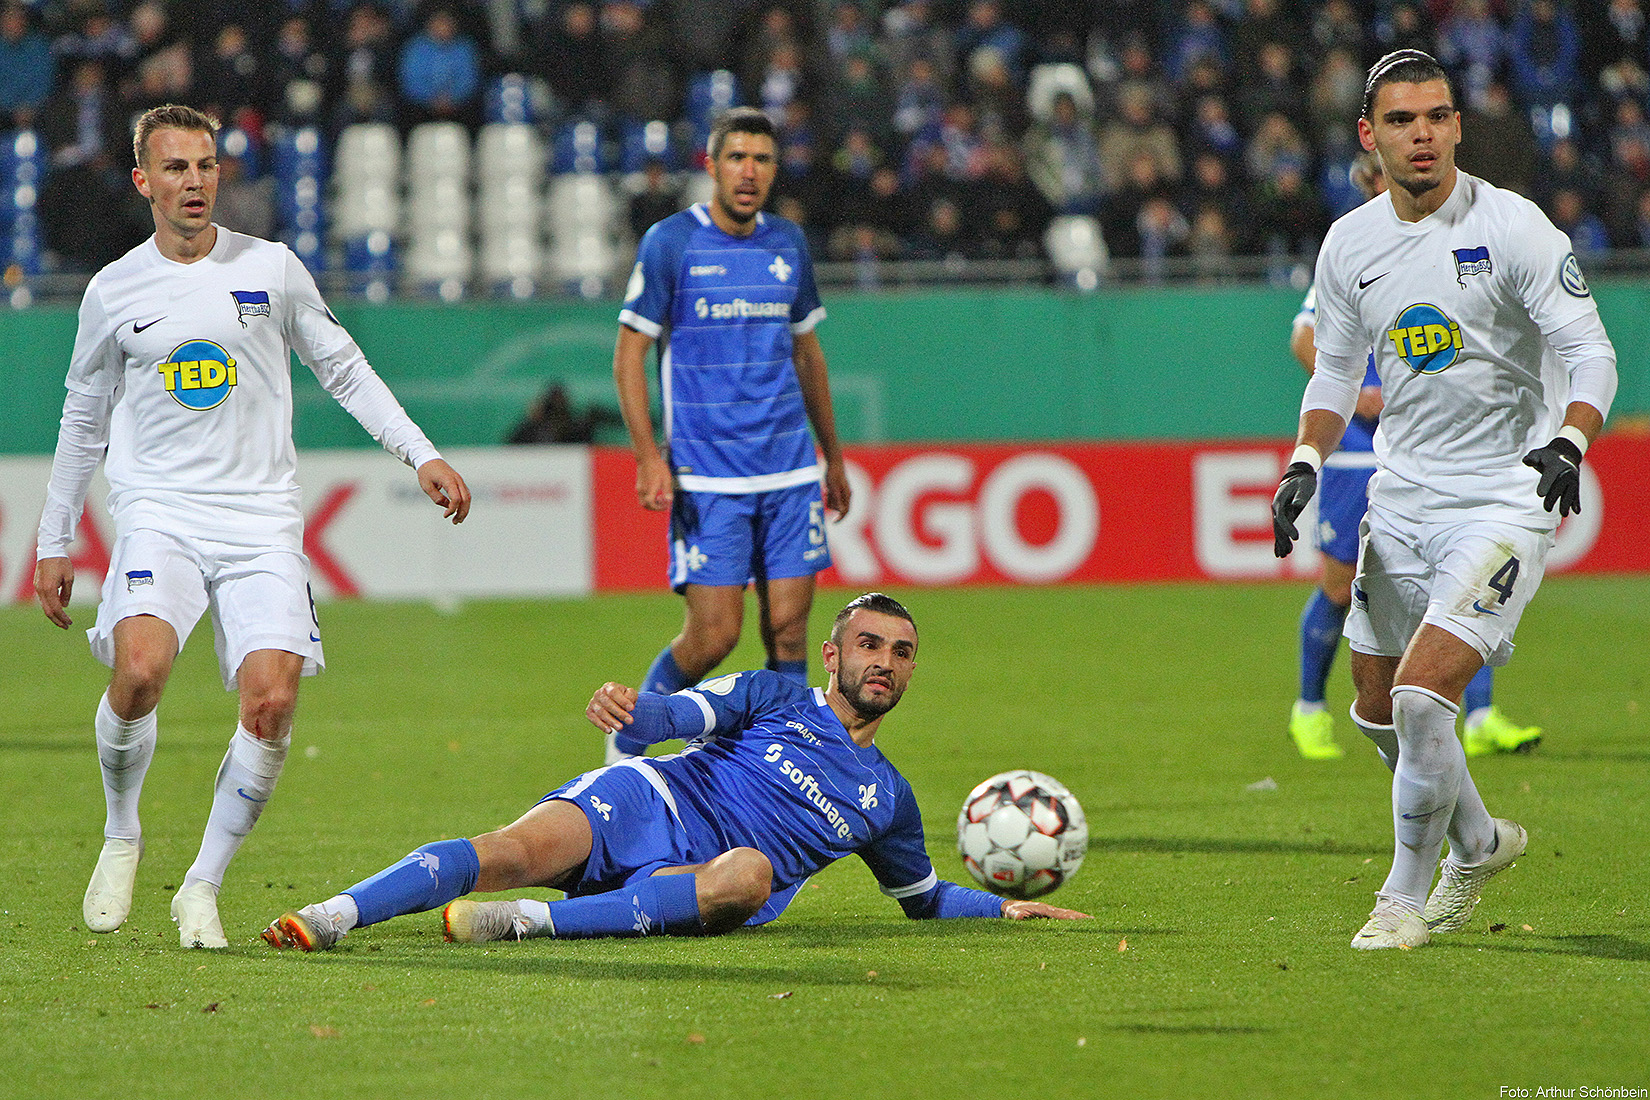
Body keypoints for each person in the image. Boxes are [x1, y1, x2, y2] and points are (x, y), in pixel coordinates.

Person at [33, 104, 472, 950]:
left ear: (218, 174)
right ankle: (122, 829)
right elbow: (82, 420)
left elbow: (344, 368)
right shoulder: (113, 290)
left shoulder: (269, 268)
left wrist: (420, 455)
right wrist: (56, 539)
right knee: (140, 671)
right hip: (159, 512)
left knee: (272, 705)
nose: (192, 182)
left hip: (260, 521)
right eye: (174, 168)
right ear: (142, 182)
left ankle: (201, 884)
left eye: (204, 166)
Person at [1272, 51, 1618, 950]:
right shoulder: (1350, 242)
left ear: (1458, 125)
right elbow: (1339, 369)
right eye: (1400, 120)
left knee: (1425, 701)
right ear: (1369, 136)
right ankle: (1477, 839)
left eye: (1436, 116)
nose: (1420, 133)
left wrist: (1569, 440)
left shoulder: (1515, 228)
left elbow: (1592, 352)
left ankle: (1400, 900)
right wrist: (1306, 458)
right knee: (1378, 710)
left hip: (1506, 498)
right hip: (1402, 498)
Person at [260, 592, 1089, 950]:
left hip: (710, 881)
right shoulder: (777, 694)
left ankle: (526, 924)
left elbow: (924, 900)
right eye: (870, 646)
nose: (885, 664)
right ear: (833, 655)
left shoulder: (889, 800)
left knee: (750, 878)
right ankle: (335, 914)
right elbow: (686, 715)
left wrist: (1002, 906)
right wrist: (636, 708)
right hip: (647, 802)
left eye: (901, 654)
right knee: (507, 850)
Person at [609, 106, 852, 764]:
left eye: (763, 159)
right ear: (711, 166)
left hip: (789, 471)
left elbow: (808, 353)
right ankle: (628, 741)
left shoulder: (787, 245)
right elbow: (630, 353)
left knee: (790, 629)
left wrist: (833, 456)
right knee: (714, 635)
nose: (750, 171)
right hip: (708, 476)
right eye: (737, 158)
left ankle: (783, 771)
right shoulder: (671, 243)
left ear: (775, 170)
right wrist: (648, 455)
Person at [1287, 152, 1543, 762]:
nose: (1382, 185)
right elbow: (1304, 337)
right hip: (1360, 446)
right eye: (1372, 179)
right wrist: (1356, 393)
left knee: (1456, 584)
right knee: (1343, 583)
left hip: (1438, 443)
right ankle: (1309, 708)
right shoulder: (1353, 247)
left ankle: (1479, 716)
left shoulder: (1466, 241)